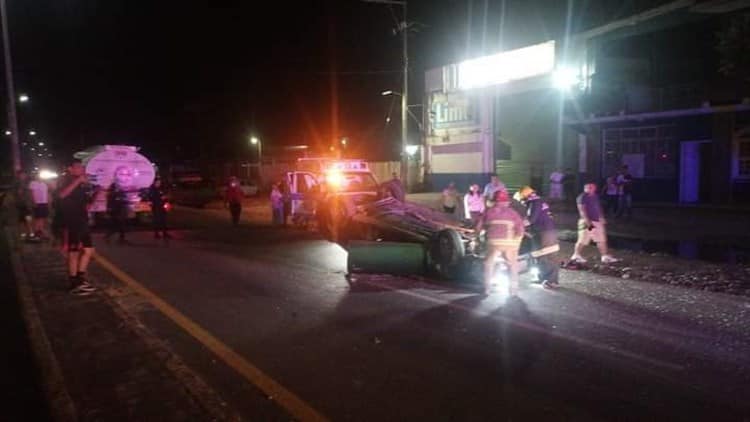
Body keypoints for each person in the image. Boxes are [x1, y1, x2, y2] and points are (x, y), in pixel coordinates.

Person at [58, 159, 97, 296]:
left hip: (82, 220)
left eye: (82, 167)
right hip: (71, 221)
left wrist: (100, 192)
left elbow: (88, 205)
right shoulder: (65, 180)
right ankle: (73, 283)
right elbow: (61, 195)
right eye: (79, 167)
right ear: (70, 168)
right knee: (73, 253)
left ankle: (80, 278)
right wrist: (78, 181)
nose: (82, 169)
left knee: (89, 251)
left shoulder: (83, 184)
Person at [476, 189, 525, 296]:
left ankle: (487, 289)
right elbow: (521, 230)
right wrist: (516, 243)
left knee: (488, 264)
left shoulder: (488, 212)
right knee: (512, 265)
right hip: (510, 243)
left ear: (494, 201)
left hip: (493, 242)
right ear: (506, 202)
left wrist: (477, 238)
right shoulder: (513, 213)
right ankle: (513, 290)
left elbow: (478, 227)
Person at [518, 186, 560, 289]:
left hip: (544, 232)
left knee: (547, 255)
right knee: (540, 255)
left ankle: (551, 280)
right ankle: (543, 277)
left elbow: (531, 220)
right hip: (545, 231)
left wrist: (517, 225)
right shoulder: (539, 201)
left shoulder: (534, 203)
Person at [571, 183, 620, 264]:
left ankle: (604, 256)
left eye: (591, 187)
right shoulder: (582, 197)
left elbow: (598, 207)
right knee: (583, 239)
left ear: (594, 188)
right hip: (587, 222)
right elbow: (582, 210)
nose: (589, 189)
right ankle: (576, 255)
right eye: (587, 187)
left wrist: (601, 217)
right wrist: (588, 222)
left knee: (601, 239)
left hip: (597, 222)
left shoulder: (595, 196)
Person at [28, 172, 50, 239]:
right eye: (37, 176)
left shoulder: (44, 184)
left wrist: (48, 201)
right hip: (37, 202)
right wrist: (33, 202)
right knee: (37, 218)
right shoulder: (33, 183)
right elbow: (31, 193)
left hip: (44, 202)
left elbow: (47, 193)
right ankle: (36, 231)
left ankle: (41, 231)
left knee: (42, 217)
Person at [14, 170, 33, 239]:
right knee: (22, 220)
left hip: (27, 205)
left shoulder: (27, 182)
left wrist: (31, 202)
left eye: (24, 174)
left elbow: (30, 193)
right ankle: (23, 234)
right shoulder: (17, 183)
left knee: (28, 219)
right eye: (22, 174)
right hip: (21, 205)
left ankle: (30, 233)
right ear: (19, 175)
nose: (23, 176)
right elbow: (18, 193)